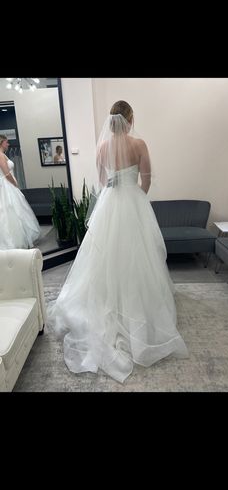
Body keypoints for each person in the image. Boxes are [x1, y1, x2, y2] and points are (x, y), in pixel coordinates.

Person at [47, 101, 188, 383]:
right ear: (130, 119)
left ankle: (106, 302)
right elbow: (146, 179)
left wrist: (115, 188)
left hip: (109, 205)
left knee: (105, 258)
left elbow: (101, 181)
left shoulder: (102, 148)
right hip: (133, 203)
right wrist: (137, 197)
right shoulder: (139, 144)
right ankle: (140, 306)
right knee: (139, 257)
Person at [0, 134, 41, 249]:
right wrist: (14, 183)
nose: (8, 144)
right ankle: (12, 242)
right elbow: (6, 173)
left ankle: (23, 238)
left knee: (18, 211)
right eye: (6, 142)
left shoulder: (3, 155)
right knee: (10, 211)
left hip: (9, 185)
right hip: (6, 186)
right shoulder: (0, 155)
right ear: (1, 142)